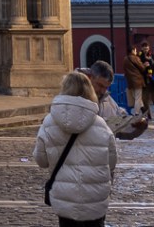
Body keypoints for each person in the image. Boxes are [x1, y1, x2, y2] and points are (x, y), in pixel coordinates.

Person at [34, 70, 116, 227]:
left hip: (65, 198)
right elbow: (111, 162)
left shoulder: (49, 122)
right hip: (95, 198)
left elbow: (41, 160)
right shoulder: (100, 124)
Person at [82, 59, 148, 139]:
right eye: (100, 85)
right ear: (90, 78)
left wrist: (136, 127)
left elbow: (121, 128)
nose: (103, 91)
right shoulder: (76, 98)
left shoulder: (108, 100)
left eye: (106, 87)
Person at [123, 45, 147, 115]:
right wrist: (145, 65)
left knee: (136, 97)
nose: (136, 52)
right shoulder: (135, 58)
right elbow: (142, 68)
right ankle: (136, 113)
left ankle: (144, 111)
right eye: (135, 50)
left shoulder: (125, 59)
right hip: (137, 80)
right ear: (133, 50)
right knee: (138, 98)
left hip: (130, 81)